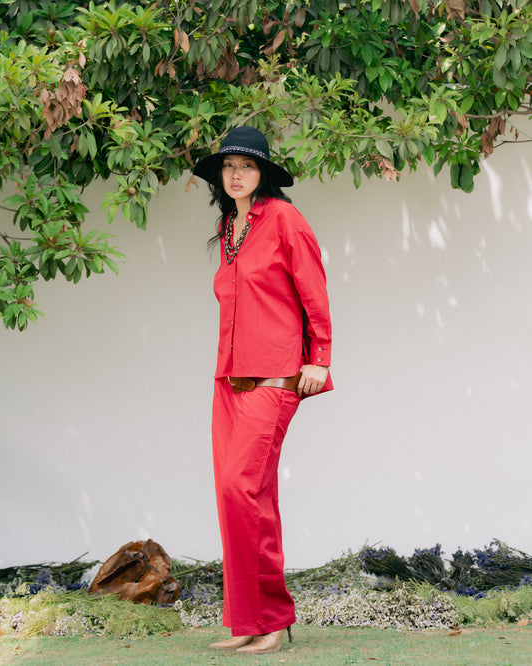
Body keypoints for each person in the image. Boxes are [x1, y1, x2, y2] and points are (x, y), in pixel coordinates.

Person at [193, 126, 333, 655]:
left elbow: (313, 290)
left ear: (263, 174)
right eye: (229, 165)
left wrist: (318, 357)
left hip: (274, 378)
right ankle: (251, 622)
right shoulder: (229, 227)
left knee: (241, 488)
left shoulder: (284, 219)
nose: (236, 174)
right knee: (239, 500)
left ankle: (273, 617)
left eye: (247, 166)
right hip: (228, 382)